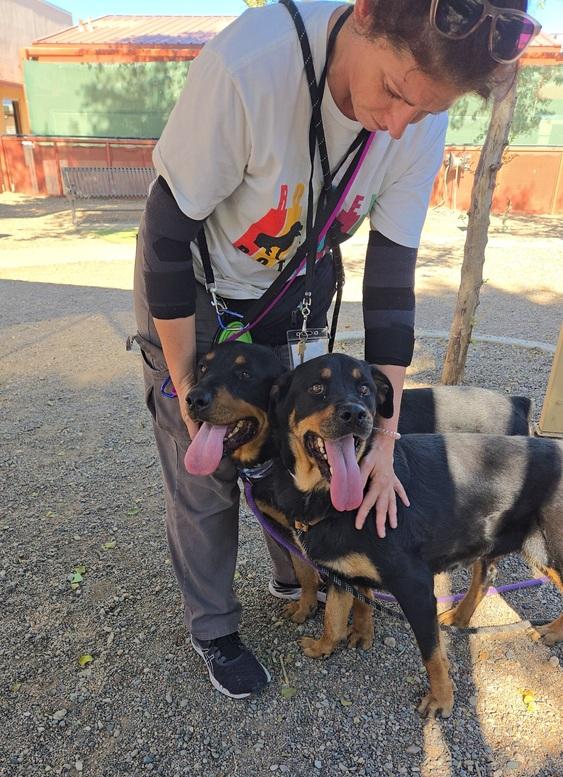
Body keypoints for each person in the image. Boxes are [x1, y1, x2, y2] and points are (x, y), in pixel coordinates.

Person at [133, 0, 540, 699]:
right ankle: (215, 628)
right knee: (207, 460)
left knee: (293, 437)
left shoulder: (416, 109)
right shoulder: (250, 68)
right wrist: (186, 390)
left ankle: (305, 570)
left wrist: (385, 436)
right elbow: (166, 242)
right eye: (392, 91)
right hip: (196, 282)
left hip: (286, 286)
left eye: (423, 111)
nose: (395, 126)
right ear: (365, 15)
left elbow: (388, 283)